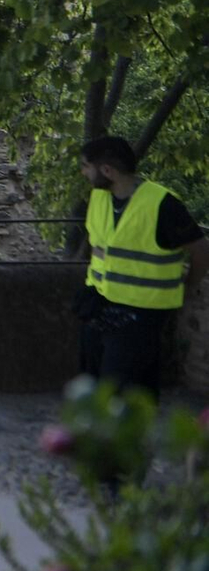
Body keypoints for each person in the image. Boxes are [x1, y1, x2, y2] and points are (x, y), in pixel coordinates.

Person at [75, 135, 209, 399]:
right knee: (100, 381)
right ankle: (132, 433)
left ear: (106, 171)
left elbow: (202, 251)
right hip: (102, 301)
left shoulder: (162, 204)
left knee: (117, 389)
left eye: (85, 166)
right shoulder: (99, 198)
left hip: (145, 310)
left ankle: (120, 436)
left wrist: (188, 287)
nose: (83, 172)